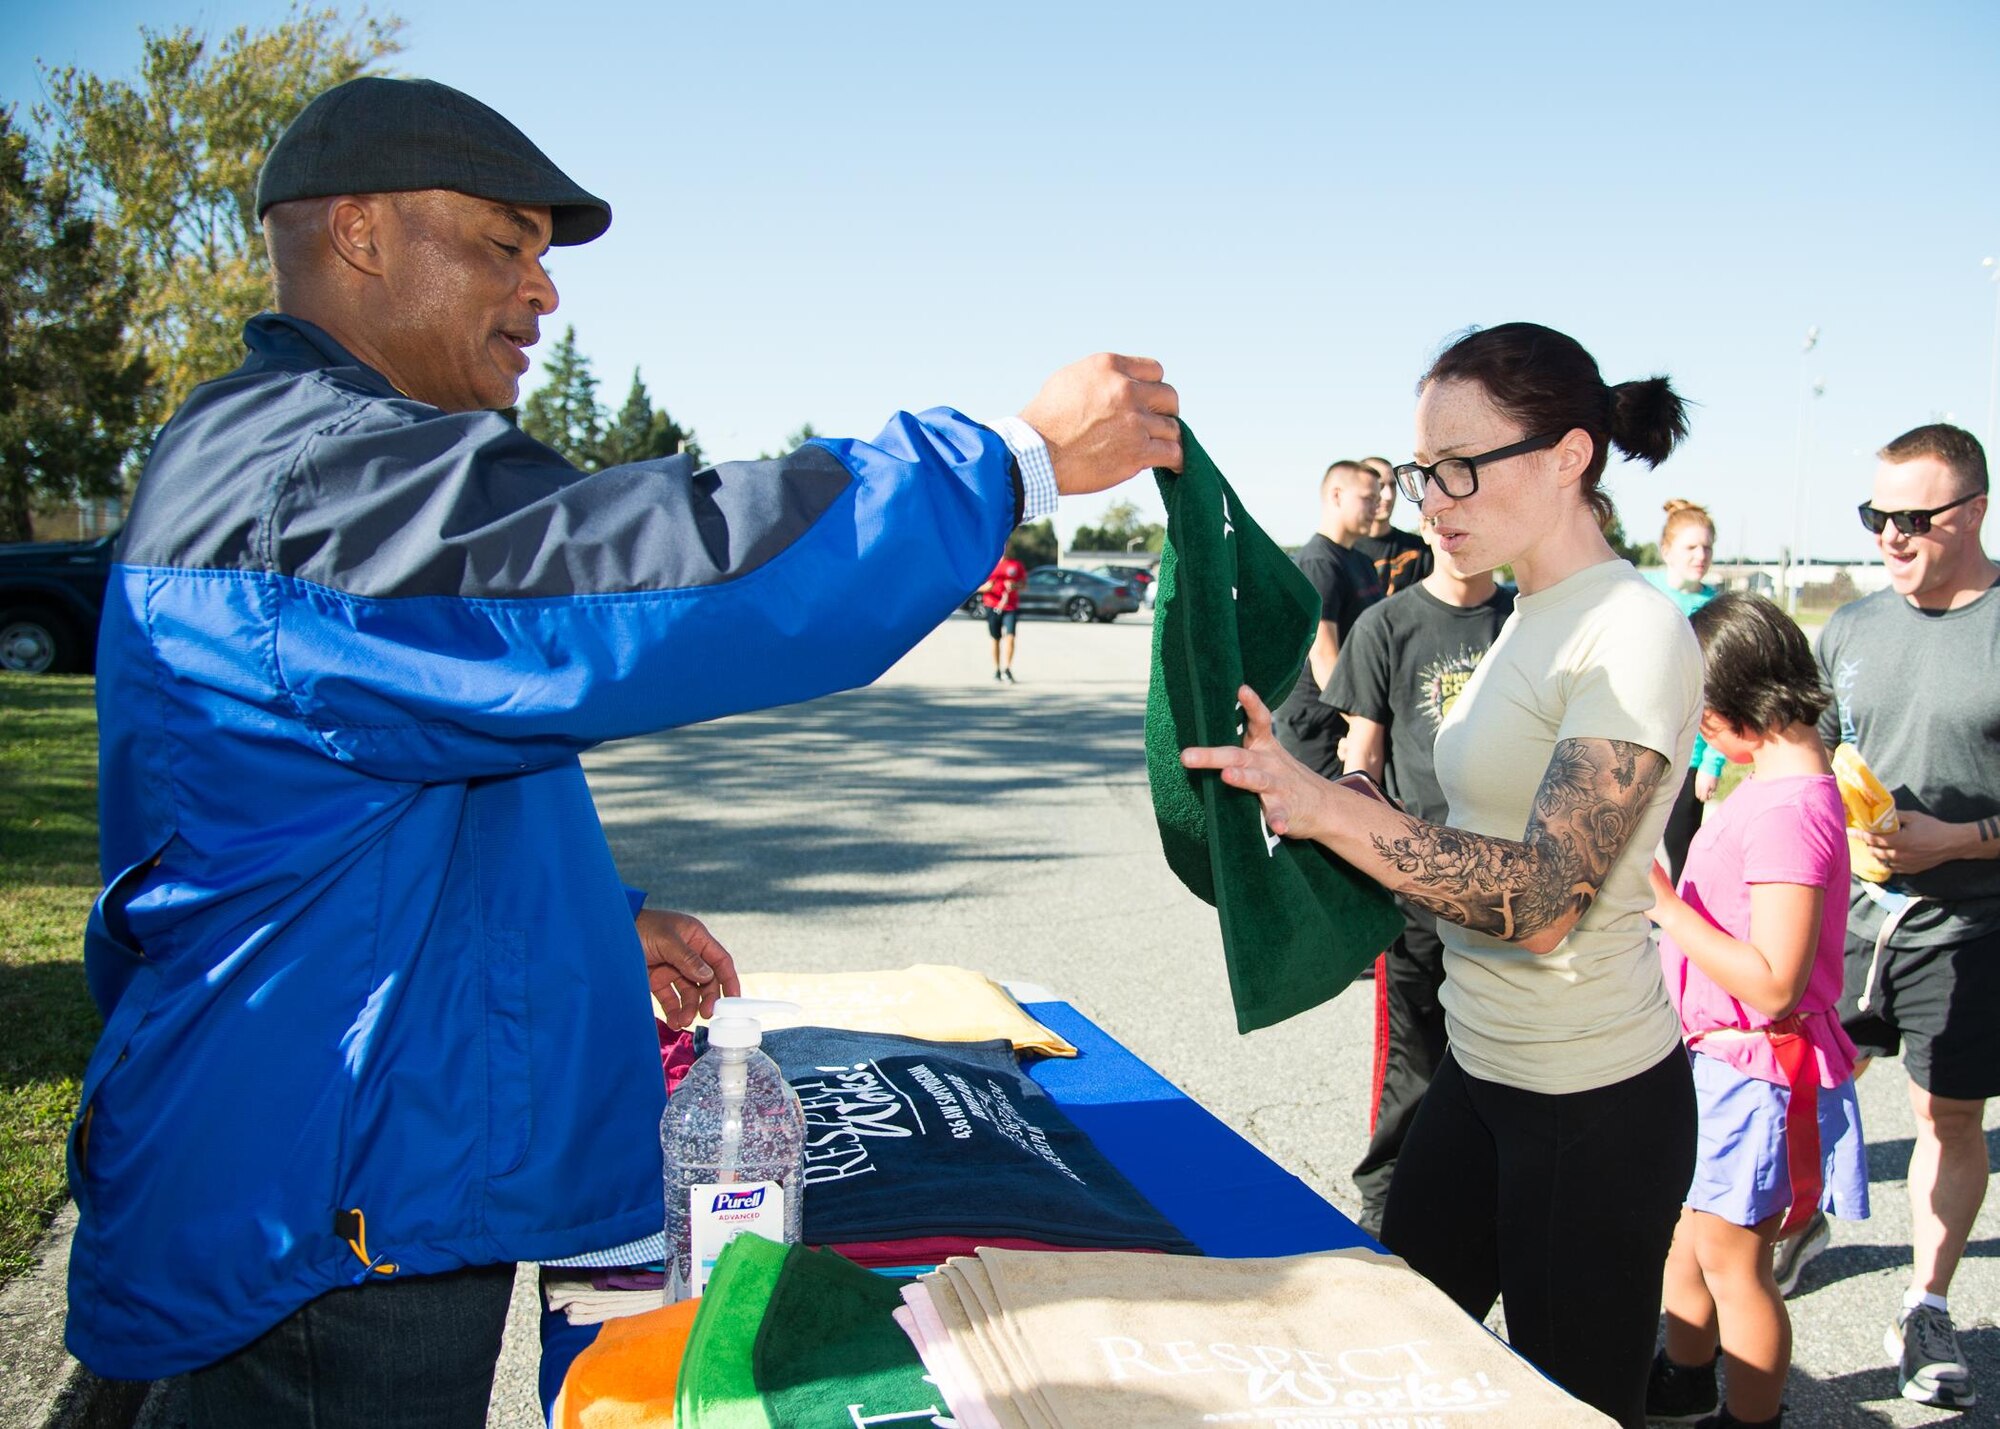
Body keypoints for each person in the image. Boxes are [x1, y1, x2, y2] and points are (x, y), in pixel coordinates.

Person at [66, 75, 1181, 1426]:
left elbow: (361, 799)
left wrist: (594, 922)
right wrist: (1008, 462)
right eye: (504, 246)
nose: (543, 296)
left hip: (306, 1147)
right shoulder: (332, 484)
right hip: (326, 1205)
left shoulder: (275, 459)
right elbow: (668, 585)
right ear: (358, 233)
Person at [1184, 322, 1701, 1427]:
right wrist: (1313, 800)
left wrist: (1329, 809)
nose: (1432, 496)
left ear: (1568, 456)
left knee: (1571, 1404)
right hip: (1479, 1068)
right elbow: (1457, 828)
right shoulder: (1527, 614)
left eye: (1461, 465)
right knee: (1400, 1361)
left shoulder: (1631, 630)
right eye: (1424, 469)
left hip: (1588, 1101)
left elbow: (1540, 899)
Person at [1645, 593, 1869, 1429]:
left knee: (1736, 1266)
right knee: (1695, 1244)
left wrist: (1669, 911)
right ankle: (1688, 1374)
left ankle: (1750, 1416)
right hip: (1731, 1063)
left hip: (1756, 1069)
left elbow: (1775, 981)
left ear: (1719, 710)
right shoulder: (1779, 788)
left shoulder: (1785, 810)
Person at [1813, 423, 1999, 1410]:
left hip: (1970, 922)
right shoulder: (1847, 627)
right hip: (1850, 914)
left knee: (1944, 1114)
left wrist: (1960, 839)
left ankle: (1925, 1303)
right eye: (1874, 516)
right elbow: (1808, 759)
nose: (1888, 535)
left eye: (1911, 518)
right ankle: (1794, 1220)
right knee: (1802, 1080)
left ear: (1970, 511)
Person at [1326, 516, 1515, 1237]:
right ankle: (1384, 1207)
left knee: (1502, 1059)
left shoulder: (1525, 620)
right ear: (1429, 532)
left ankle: (1484, 1200)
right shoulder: (1386, 624)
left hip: (1508, 885)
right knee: (1413, 1064)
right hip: (1414, 890)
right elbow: (1363, 759)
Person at [1271, 458, 1385, 777]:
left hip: (1350, 715)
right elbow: (1323, 658)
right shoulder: (1319, 562)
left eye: (1378, 499)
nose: (1377, 506)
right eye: (1367, 498)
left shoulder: (1360, 561)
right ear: (1336, 495)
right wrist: (1361, 725)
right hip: (1319, 724)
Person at [1645, 499, 1730, 881]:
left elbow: (1724, 692)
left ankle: (1682, 935)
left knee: (1683, 852)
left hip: (1690, 755)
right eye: (1691, 547)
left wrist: (1712, 764)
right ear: (1667, 550)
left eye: (1707, 547)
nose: (1701, 556)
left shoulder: (1719, 608)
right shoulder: (1641, 594)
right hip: (1639, 745)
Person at [1353, 454, 1433, 595]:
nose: (1388, 496)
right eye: (1380, 486)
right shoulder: (1344, 552)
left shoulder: (1422, 550)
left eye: (1393, 485)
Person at [977, 551, 1026, 682]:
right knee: (996, 639)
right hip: (992, 605)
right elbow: (976, 586)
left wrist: (1014, 585)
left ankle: (1007, 669)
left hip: (1010, 606)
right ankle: (997, 669)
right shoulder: (988, 564)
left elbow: (1024, 584)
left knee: (1010, 637)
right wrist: (986, 588)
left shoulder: (1016, 565)